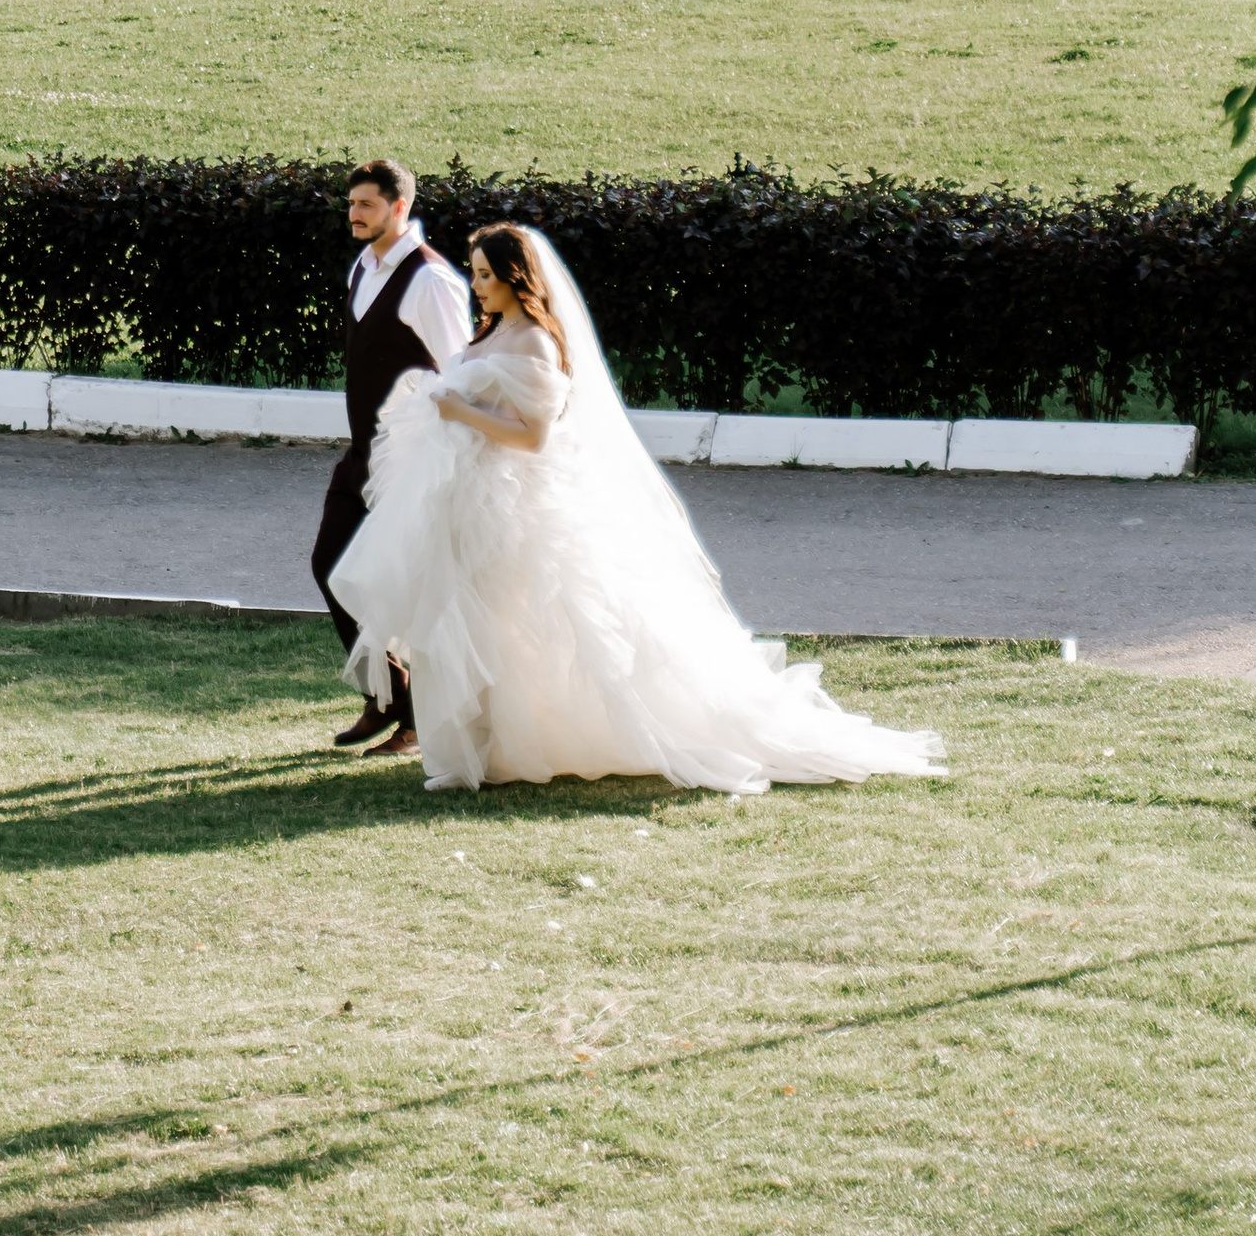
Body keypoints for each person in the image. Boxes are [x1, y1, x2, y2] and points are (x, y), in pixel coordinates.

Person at [328, 218, 945, 797]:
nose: (477, 284)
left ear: (519, 278)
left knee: (522, 625)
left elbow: (533, 436)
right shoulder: (491, 333)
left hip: (515, 504)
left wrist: (458, 410)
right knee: (481, 622)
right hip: (471, 500)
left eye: (487, 274)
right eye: (476, 271)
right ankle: (487, 746)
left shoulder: (537, 344)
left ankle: (521, 744)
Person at [312, 157, 471, 759]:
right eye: (351, 204)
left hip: (411, 464)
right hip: (362, 455)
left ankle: (415, 718)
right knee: (331, 567)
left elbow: (462, 372)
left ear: (399, 207)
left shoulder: (431, 282)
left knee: (412, 591)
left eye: (367, 205)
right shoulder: (362, 264)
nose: (354, 214)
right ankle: (390, 695)